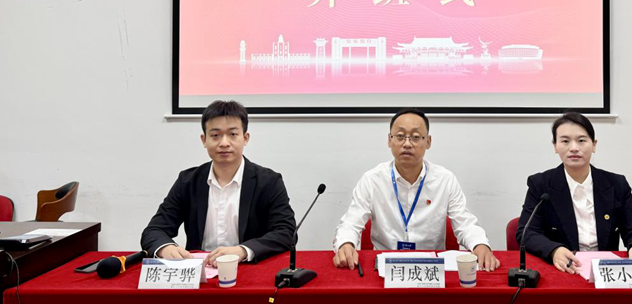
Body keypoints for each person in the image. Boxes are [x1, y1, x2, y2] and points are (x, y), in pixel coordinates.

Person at [333, 108, 500, 272]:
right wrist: (346, 243)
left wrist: (480, 245)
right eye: (400, 136)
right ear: (389, 140)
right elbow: (351, 223)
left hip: (431, 271)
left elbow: (465, 223)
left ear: (428, 142)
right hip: (386, 269)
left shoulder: (445, 180)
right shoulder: (372, 180)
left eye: (415, 137)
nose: (407, 143)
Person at [141, 100, 296, 266]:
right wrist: (166, 248)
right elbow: (154, 230)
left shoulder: (269, 182)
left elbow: (286, 232)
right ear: (204, 140)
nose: (224, 143)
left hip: (247, 268)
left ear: (245, 138)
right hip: (200, 272)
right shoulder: (188, 182)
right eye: (215, 135)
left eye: (233, 134)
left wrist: (244, 250)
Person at [516, 112, 632, 274]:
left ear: (594, 145)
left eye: (581, 140)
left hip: (606, 272)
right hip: (564, 269)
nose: (574, 148)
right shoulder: (540, 184)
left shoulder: (616, 184)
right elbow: (527, 232)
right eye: (565, 141)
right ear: (555, 146)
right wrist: (554, 250)